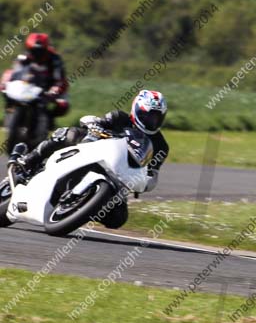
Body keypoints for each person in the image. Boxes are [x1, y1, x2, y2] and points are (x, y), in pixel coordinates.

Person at [9, 90, 169, 228]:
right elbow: (96, 122)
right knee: (67, 133)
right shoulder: (119, 117)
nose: (151, 121)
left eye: (156, 117)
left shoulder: (161, 146)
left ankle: (83, 206)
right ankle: (29, 160)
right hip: (91, 151)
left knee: (118, 219)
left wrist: (146, 183)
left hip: (120, 176)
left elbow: (153, 173)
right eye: (147, 115)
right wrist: (95, 127)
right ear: (136, 110)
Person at [1, 33, 70, 119]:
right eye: (33, 50)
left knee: (63, 105)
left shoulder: (55, 59)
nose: (36, 53)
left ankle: (48, 118)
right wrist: (6, 83)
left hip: (50, 85)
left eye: (40, 51)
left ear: (45, 49)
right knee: (4, 85)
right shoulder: (25, 56)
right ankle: (10, 108)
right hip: (31, 84)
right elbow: (15, 71)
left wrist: (56, 87)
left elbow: (59, 77)